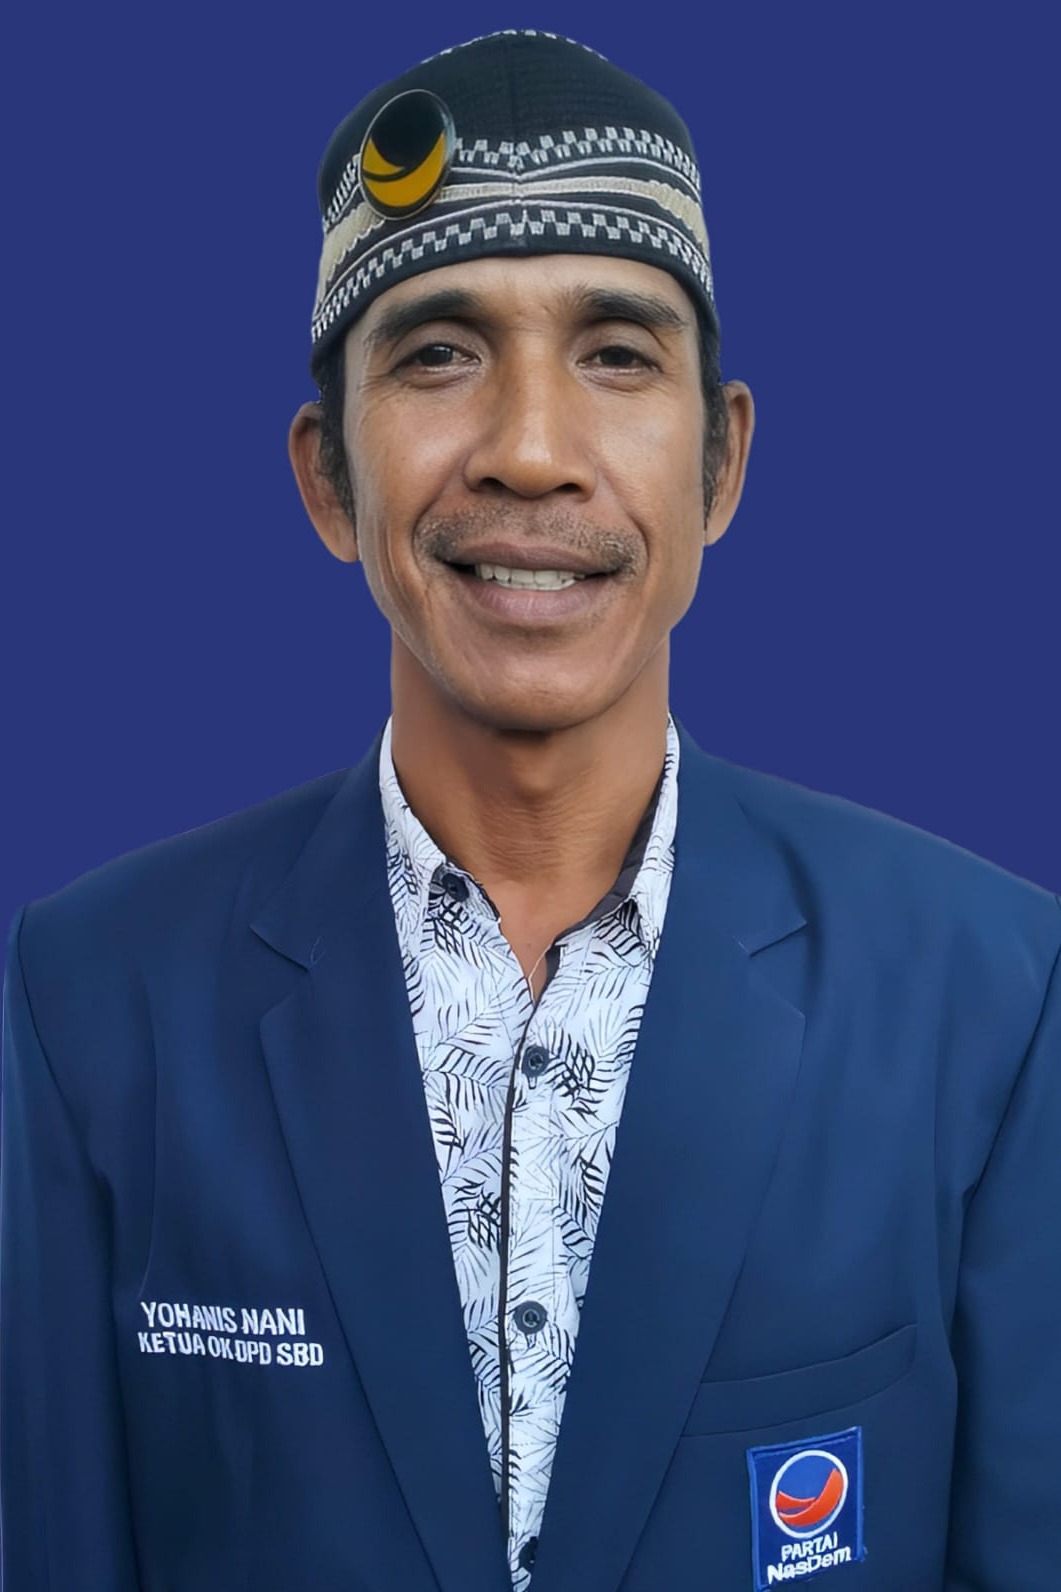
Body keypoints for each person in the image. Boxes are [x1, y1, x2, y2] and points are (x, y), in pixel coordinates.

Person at [2, 27, 1058, 1592]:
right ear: (326, 478)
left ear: (721, 464)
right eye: (437, 353)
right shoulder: (95, 996)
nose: (531, 452)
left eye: (616, 353)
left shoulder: (989, 989)